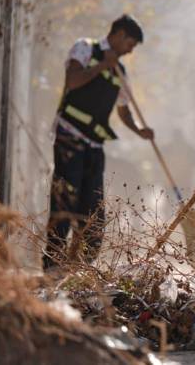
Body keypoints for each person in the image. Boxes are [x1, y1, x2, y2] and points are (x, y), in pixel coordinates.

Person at [43, 15, 154, 272]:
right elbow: (72, 81)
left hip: (95, 146)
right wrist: (103, 65)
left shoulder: (121, 71)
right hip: (69, 138)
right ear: (119, 34)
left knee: (93, 212)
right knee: (64, 202)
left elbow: (124, 111)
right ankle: (52, 266)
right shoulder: (85, 48)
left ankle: (78, 269)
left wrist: (141, 131)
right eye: (130, 43)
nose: (130, 50)